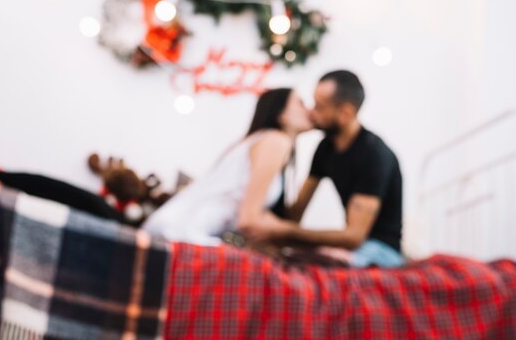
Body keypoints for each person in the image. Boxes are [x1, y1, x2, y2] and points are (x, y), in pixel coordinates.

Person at [242, 70, 404, 268]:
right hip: (353, 247)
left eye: (320, 106)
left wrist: (281, 231)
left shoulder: (374, 155)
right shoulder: (325, 149)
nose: (312, 111)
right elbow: (295, 214)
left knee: (316, 265)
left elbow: (354, 237)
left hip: (382, 250)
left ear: (345, 112)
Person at [142, 88, 313, 244]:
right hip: (182, 233)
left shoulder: (259, 139)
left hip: (177, 228)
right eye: (300, 103)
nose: (309, 109)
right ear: (281, 114)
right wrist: (306, 237)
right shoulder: (276, 140)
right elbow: (249, 220)